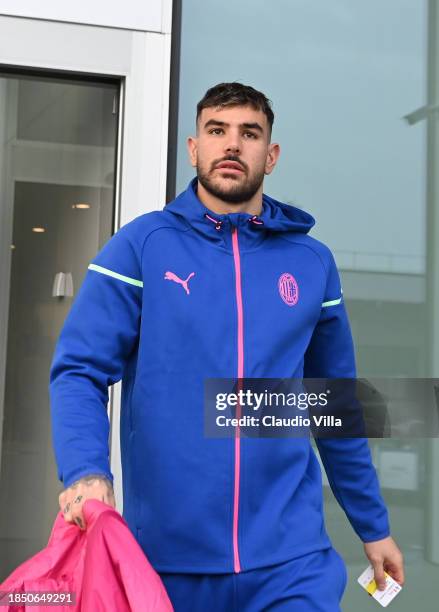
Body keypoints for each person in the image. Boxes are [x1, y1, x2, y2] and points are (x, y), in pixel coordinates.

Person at [50, 82, 404, 611]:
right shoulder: (141, 247)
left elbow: (334, 404)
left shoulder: (312, 263)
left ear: (272, 154)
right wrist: (87, 472)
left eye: (249, 133)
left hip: (291, 562)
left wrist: (373, 527)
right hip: (167, 563)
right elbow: (79, 369)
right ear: (194, 148)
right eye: (217, 131)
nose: (233, 145)